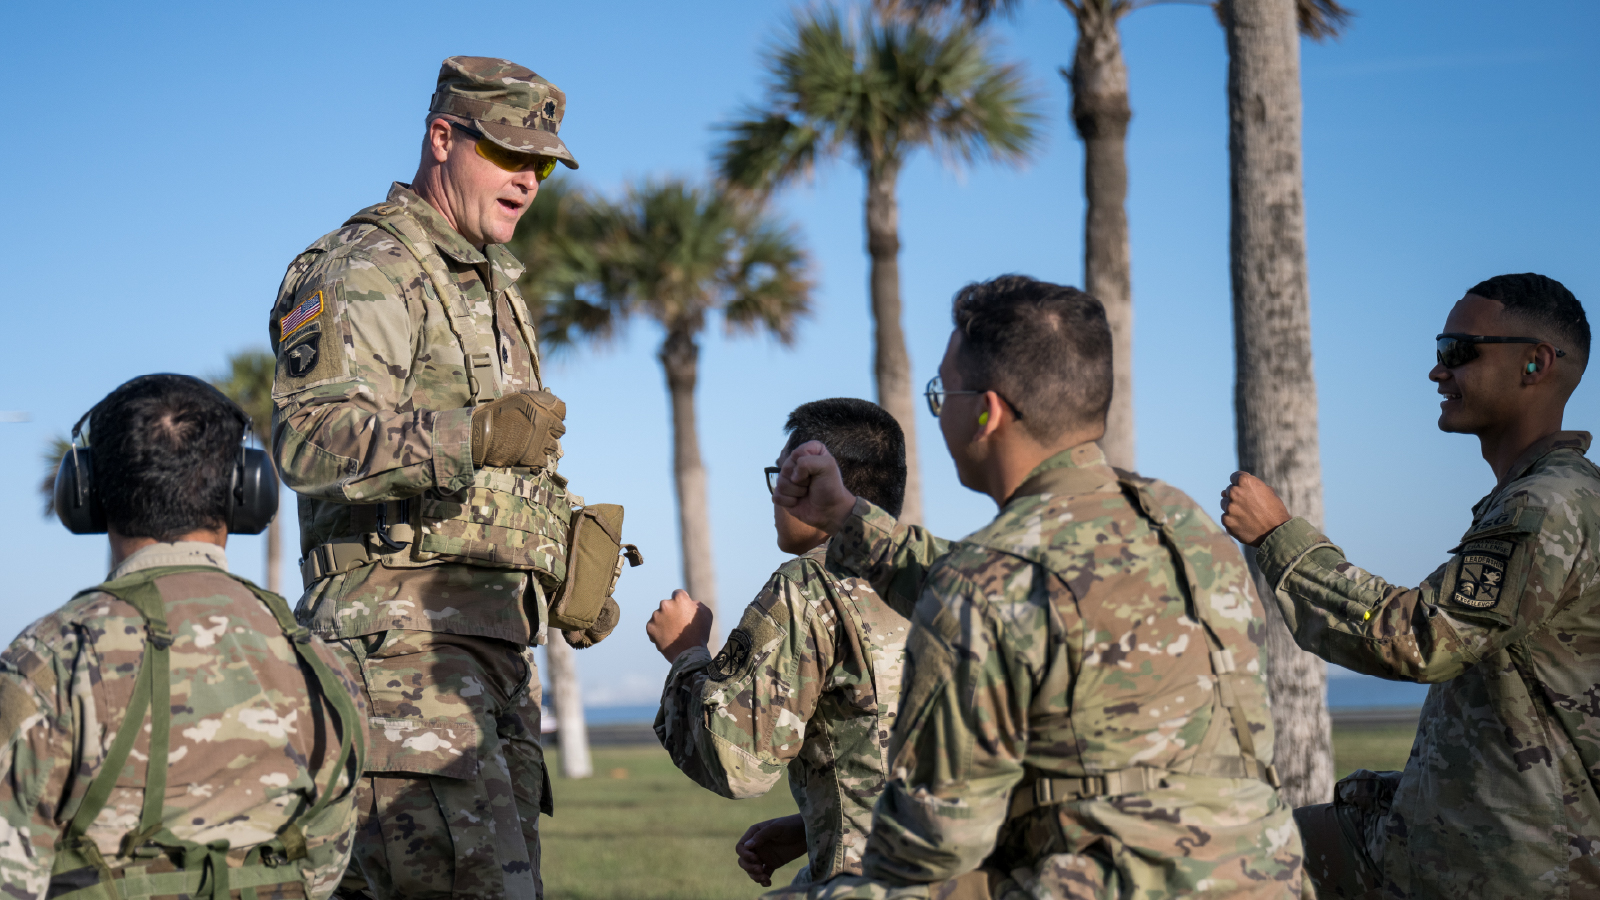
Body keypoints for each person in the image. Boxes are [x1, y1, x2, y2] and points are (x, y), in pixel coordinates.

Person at [771, 275, 1303, 899]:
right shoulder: (1179, 521)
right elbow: (1007, 579)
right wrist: (845, 514)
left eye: (942, 392)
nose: (937, 411)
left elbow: (929, 845)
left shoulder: (990, 579)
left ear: (987, 413)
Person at [269, 57, 612, 899]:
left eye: (540, 165)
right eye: (508, 154)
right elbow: (308, 440)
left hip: (486, 660)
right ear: (442, 138)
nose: (527, 180)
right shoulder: (369, 265)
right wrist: (476, 431)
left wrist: (564, 563)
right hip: (399, 666)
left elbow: (495, 478)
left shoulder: (494, 286)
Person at [1220, 272, 1600, 899]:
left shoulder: (1549, 505)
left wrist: (1279, 538)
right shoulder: (1536, 498)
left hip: (1514, 869)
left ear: (1536, 363)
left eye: (1459, 352)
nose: (1437, 372)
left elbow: (1423, 638)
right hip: (1458, 841)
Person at [0, 374, 364, 899]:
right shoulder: (321, 667)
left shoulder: (51, 661)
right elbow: (323, 872)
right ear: (247, 492)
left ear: (85, 492)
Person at [646, 398, 912, 888]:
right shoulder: (932, 577)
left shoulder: (811, 584)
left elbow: (737, 763)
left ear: (814, 481)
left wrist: (686, 652)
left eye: (781, 477)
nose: (773, 497)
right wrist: (813, 826)